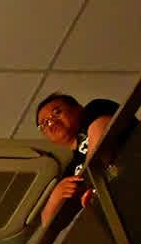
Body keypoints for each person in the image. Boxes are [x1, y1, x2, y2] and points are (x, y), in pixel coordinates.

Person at [34, 92, 117, 227]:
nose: (51, 122)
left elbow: (101, 134)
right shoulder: (72, 169)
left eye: (56, 112)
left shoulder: (94, 109)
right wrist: (55, 197)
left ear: (78, 108)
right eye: (44, 124)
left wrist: (89, 184)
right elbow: (47, 223)